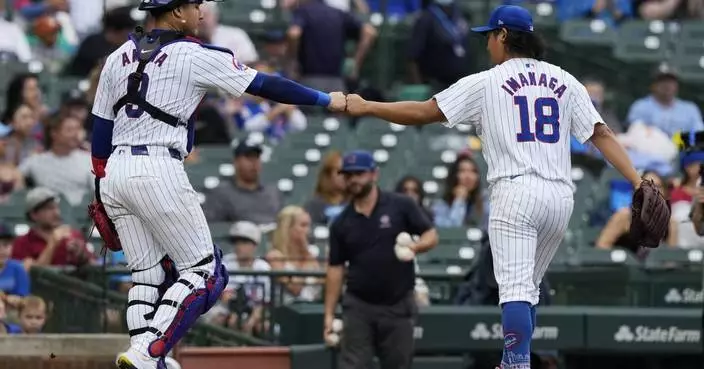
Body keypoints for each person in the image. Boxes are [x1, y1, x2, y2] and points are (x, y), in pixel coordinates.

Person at [344, 6, 645, 369]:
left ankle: (516, 364)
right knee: (529, 291)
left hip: (515, 192)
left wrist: (368, 106)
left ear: (503, 35)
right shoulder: (565, 79)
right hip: (561, 198)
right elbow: (601, 134)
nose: (487, 44)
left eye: (489, 35)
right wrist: (638, 180)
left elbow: (424, 112)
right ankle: (517, 361)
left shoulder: (487, 81)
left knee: (516, 291)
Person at [88, 1, 346, 368]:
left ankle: (144, 357)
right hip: (157, 165)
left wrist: (102, 185)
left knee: (148, 275)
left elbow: (100, 131)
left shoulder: (117, 56)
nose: (201, 12)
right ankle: (148, 353)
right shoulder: (192, 54)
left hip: (115, 169)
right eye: (194, 5)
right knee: (206, 271)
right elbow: (264, 83)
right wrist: (324, 99)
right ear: (176, 13)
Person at [325, 150, 438, 369]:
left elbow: (431, 235)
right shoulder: (341, 223)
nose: (353, 180)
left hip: (398, 303)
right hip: (359, 305)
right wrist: (328, 314)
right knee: (353, 365)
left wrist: (416, 247)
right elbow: (335, 268)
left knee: (398, 363)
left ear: (374, 174)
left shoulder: (401, 205)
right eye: (348, 175)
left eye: (359, 173)